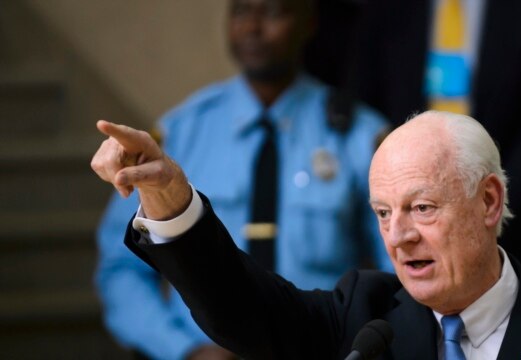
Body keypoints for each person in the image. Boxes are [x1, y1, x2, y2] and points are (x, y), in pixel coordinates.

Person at [91, 111, 521, 359]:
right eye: (382, 213)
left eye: (421, 208)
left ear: (489, 201)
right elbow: (240, 307)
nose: (397, 236)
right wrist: (169, 200)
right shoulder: (365, 320)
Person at [95, 0, 391, 359]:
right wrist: (185, 350)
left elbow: (400, 269)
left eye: (272, 12)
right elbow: (120, 271)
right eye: (241, 11)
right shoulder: (181, 133)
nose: (252, 27)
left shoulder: (359, 137)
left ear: (308, 22)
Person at [305, 0, 521, 274]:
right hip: (400, 228)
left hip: (507, 230)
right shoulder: (385, 8)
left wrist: (483, 212)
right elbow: (365, 107)